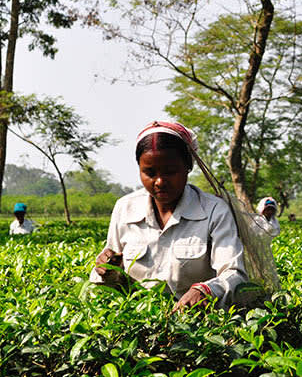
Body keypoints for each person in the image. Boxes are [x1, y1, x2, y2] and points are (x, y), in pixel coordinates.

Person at [90, 121, 248, 310]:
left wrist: (206, 290)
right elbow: (113, 278)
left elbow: (235, 273)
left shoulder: (214, 211)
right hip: (139, 322)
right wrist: (107, 270)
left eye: (170, 172)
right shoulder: (125, 209)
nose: (159, 182)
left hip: (199, 327)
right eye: (149, 172)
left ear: (188, 167)